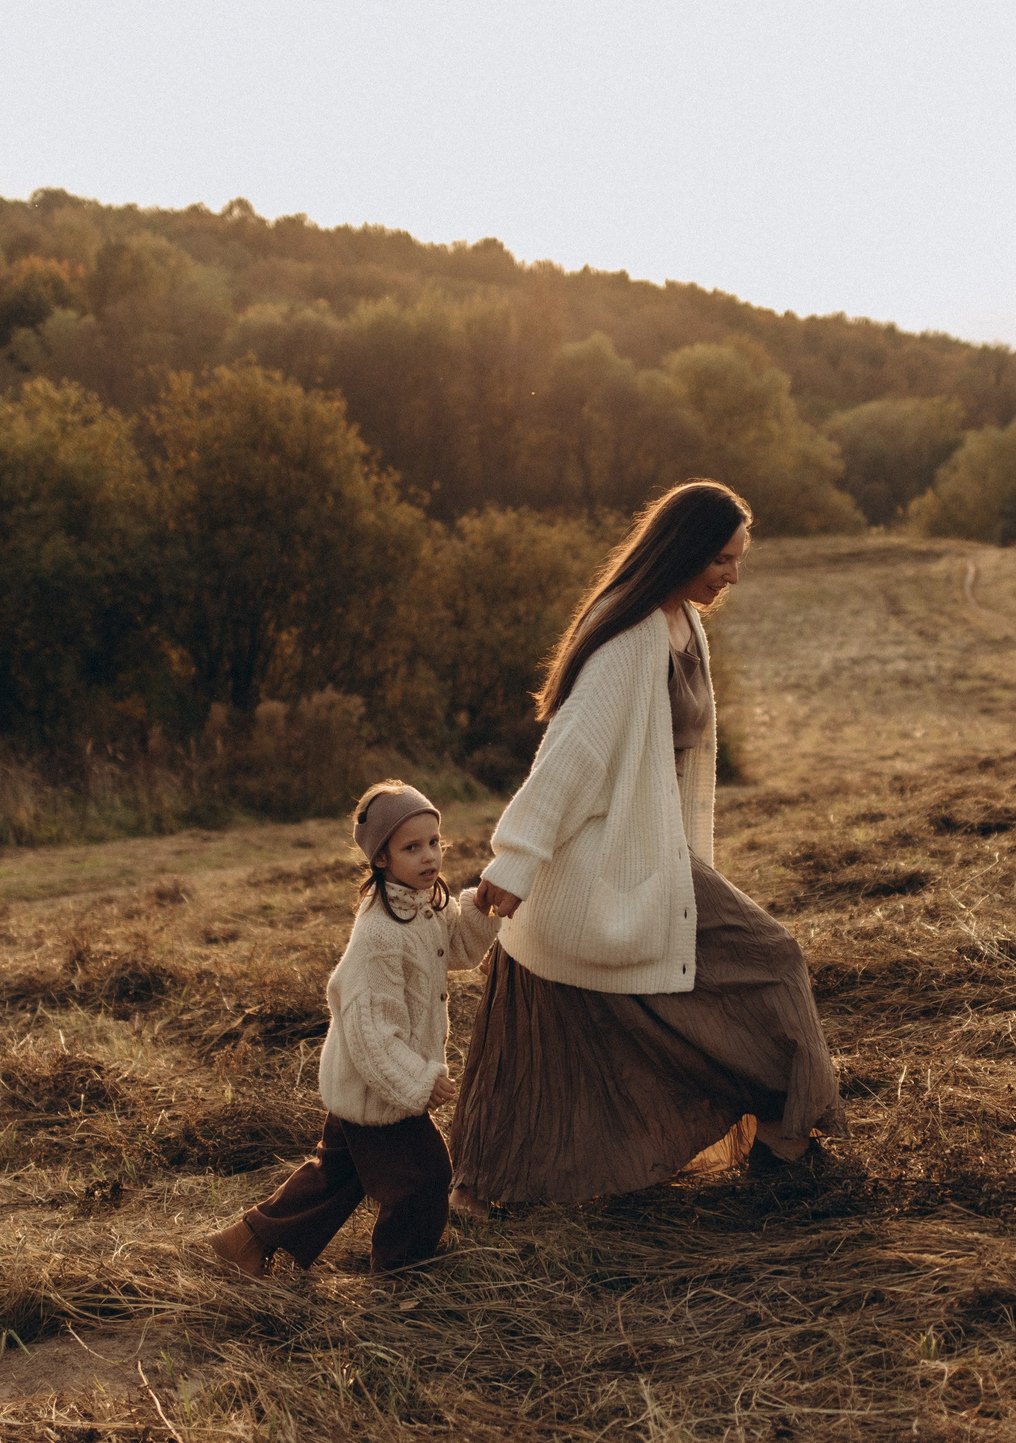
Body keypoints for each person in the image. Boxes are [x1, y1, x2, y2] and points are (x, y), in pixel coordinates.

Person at [447, 480, 844, 1213]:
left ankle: (781, 1145)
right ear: (686, 548)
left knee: (728, 968)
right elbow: (570, 754)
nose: (732, 575)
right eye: (722, 559)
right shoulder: (629, 635)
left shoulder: (684, 624)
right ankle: (785, 1149)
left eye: (737, 560)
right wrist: (517, 858)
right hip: (609, 854)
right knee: (774, 956)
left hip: (656, 850)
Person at [206, 780, 499, 1275]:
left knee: (337, 1175)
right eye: (412, 847)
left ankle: (246, 1240)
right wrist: (419, 1081)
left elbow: (461, 950)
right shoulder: (381, 932)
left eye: (435, 843)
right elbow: (369, 1029)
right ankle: (401, 1274)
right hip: (377, 1081)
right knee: (424, 1177)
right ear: (381, 859)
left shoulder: (424, 901)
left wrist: (481, 909)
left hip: (367, 1081)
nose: (429, 857)